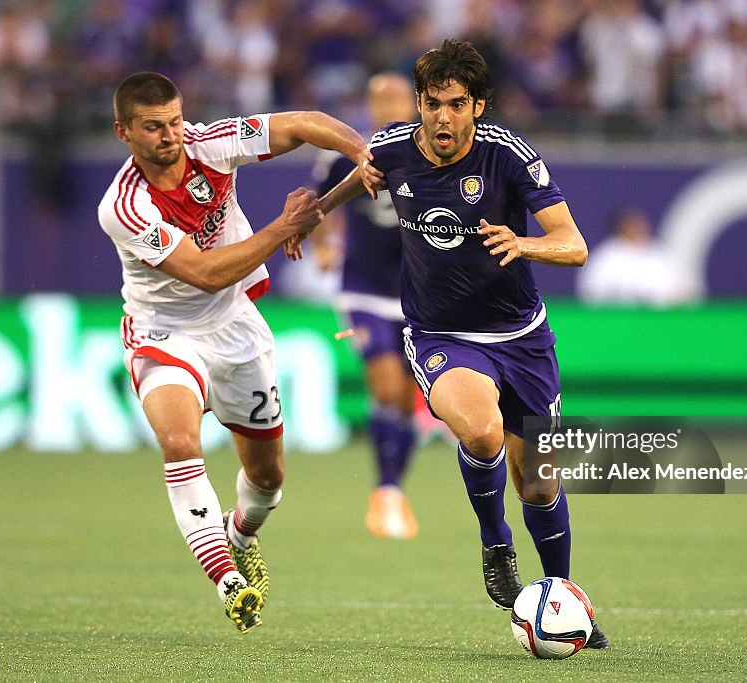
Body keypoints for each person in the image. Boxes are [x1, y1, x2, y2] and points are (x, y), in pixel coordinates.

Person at [304, 39, 609, 648]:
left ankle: (564, 598)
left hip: (522, 337)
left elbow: (573, 245)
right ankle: (496, 542)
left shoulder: (512, 159)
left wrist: (524, 244)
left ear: (479, 107)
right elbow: (354, 180)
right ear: (419, 103)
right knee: (480, 430)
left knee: (541, 482)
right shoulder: (392, 149)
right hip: (441, 333)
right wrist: (312, 216)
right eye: (432, 103)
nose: (442, 117)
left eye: (457, 104)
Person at [97, 71, 381, 633]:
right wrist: (285, 226)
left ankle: (240, 533)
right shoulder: (124, 206)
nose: (170, 136)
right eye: (153, 127)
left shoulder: (211, 143)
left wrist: (361, 150)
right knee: (179, 440)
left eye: (175, 121)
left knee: (269, 478)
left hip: (235, 329)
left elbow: (303, 124)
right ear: (123, 132)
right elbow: (204, 273)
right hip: (164, 333)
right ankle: (229, 580)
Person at [311, 72, 421, 539]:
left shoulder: (432, 153)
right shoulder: (349, 153)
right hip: (362, 291)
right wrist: (321, 246)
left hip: (419, 298)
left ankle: (392, 488)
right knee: (385, 383)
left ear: (415, 104)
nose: (388, 105)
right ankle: (386, 491)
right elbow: (316, 205)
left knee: (405, 400)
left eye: (397, 97)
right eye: (379, 99)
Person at [577, 206, 682, 306]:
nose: (639, 228)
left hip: (658, 320)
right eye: (633, 225)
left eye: (640, 224)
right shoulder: (605, 258)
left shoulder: (658, 254)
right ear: (621, 227)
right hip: (616, 320)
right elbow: (591, 293)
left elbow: (678, 291)